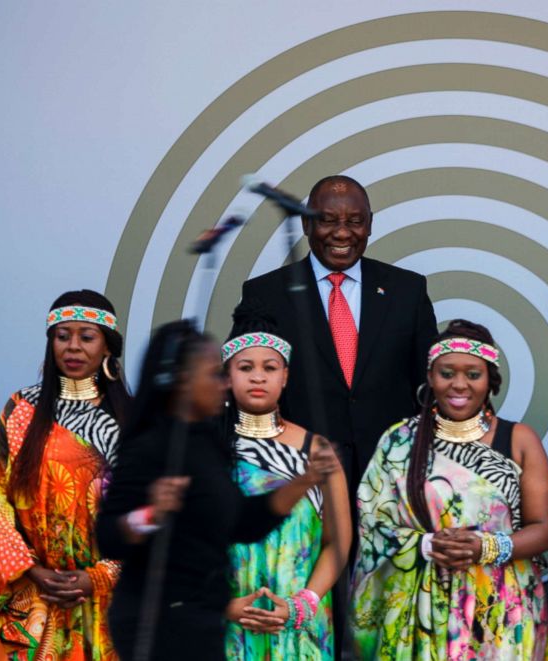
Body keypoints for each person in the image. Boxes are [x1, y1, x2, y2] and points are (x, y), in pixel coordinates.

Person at [96, 320, 341, 660]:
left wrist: (304, 480)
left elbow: (244, 523)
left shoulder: (208, 446)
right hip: (156, 621)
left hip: (201, 621)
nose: (224, 383)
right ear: (182, 381)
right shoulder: (149, 446)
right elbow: (108, 537)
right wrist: (150, 514)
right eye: (214, 374)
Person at [351, 320, 548, 659]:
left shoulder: (519, 440)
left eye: (473, 375)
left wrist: (485, 547)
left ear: (491, 380)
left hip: (499, 610)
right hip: (418, 610)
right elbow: (372, 523)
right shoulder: (399, 441)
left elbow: (544, 530)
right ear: (430, 378)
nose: (459, 384)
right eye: (447, 373)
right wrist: (428, 545)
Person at [237, 174, 438, 494]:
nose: (342, 232)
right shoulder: (266, 294)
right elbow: (246, 388)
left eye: (355, 221)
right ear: (305, 225)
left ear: (370, 224)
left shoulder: (407, 290)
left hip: (390, 478)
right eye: (327, 220)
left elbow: (428, 386)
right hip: (298, 474)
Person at [0, 290, 131, 660]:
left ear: (108, 346)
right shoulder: (21, 409)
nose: (73, 347)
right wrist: (31, 570)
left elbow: (153, 514)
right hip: (34, 599)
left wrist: (99, 576)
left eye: (86, 336)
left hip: (109, 606)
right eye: (63, 336)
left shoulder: (134, 419)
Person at [222, 304, 352, 659]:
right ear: (227, 376)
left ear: (286, 377)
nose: (258, 377)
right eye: (245, 368)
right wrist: (224, 605)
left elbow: (338, 542)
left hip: (300, 629)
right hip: (226, 626)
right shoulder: (207, 447)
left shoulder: (316, 449)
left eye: (269, 368)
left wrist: (303, 605)